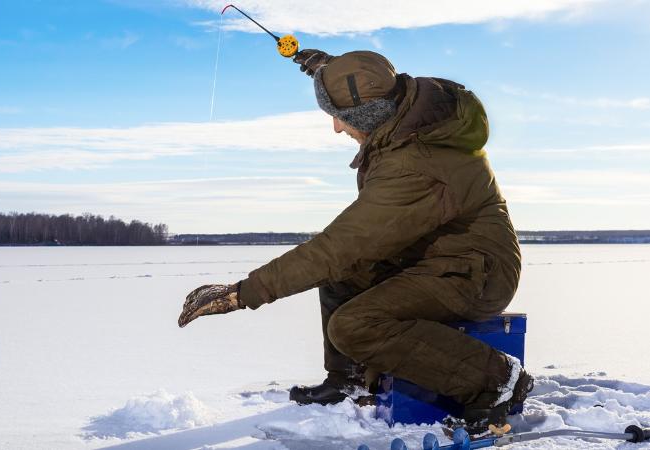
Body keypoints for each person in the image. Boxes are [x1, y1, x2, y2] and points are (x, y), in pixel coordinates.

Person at [177, 49, 533, 432]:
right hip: (436, 255)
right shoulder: (408, 112)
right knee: (341, 279)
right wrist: (328, 70)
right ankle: (347, 380)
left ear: (370, 115)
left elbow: (342, 247)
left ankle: (495, 380)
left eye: (342, 118)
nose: (336, 128)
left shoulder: (413, 167)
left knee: (355, 324)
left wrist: (242, 293)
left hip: (476, 273)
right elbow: (369, 82)